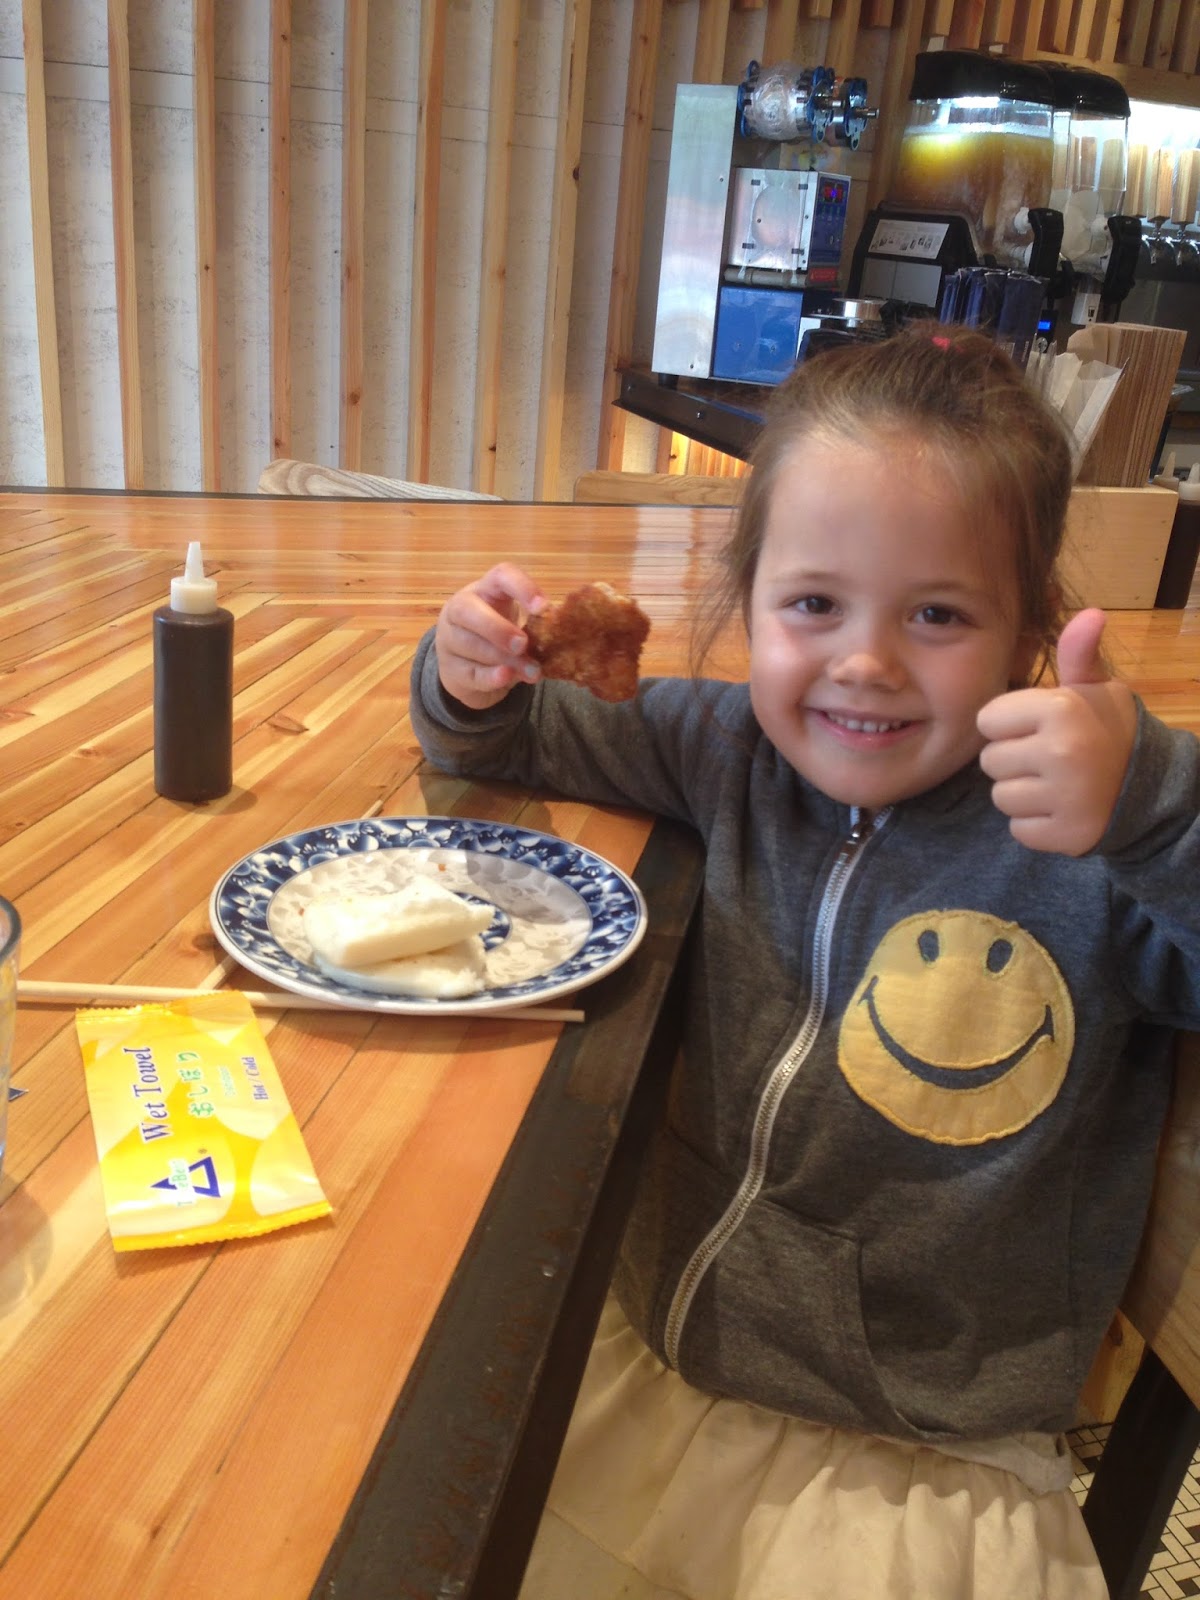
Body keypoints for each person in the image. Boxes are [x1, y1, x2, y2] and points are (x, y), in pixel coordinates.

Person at [409, 326, 1200, 1600]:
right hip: (652, 1346)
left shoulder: (1086, 840)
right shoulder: (726, 749)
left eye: (937, 614)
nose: (866, 662)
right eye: (814, 603)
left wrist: (1154, 806)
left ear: (1026, 635)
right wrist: (470, 673)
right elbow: (504, 738)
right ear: (750, 597)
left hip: (918, 1457)